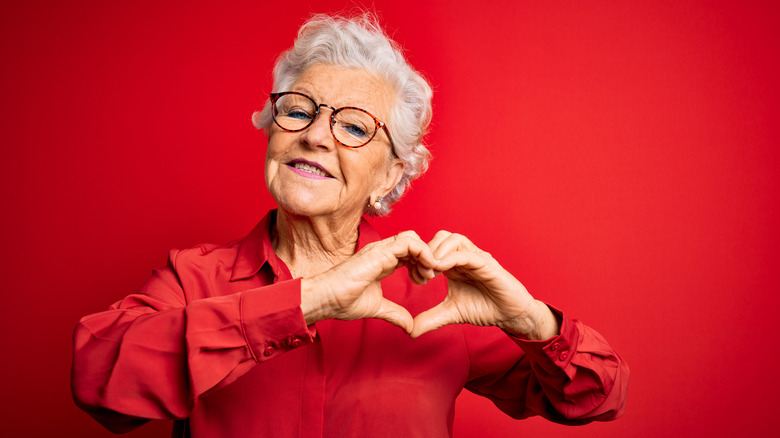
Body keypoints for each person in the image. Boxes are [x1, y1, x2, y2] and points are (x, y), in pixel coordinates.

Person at [72, 13, 629, 438]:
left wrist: (530, 318)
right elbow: (100, 381)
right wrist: (309, 300)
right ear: (273, 130)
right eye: (299, 110)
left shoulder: (437, 298)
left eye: (354, 127)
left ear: (389, 176)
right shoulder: (194, 278)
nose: (315, 135)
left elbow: (594, 396)